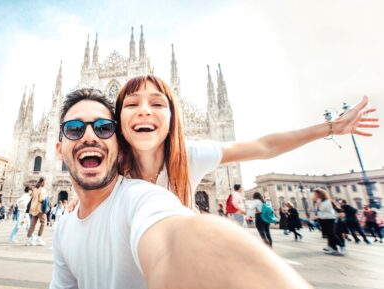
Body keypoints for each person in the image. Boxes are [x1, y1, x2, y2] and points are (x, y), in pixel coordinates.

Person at [48, 88, 321, 289]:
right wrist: (82, 201)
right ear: (58, 148)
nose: (89, 136)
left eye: (103, 127)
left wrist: (328, 128)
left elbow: (175, 239)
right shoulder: (66, 226)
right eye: (74, 129)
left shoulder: (152, 187)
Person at [114, 75, 378, 210]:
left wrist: (330, 127)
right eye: (132, 103)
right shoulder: (106, 167)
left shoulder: (190, 156)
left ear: (174, 117)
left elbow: (265, 147)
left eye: (158, 103)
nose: (145, 110)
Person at [313, 188, 342, 256]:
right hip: (324, 218)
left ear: (320, 194)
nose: (314, 195)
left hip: (329, 219)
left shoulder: (327, 201)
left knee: (331, 233)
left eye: (316, 194)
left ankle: (341, 245)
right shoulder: (321, 201)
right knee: (329, 234)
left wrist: (318, 204)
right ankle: (332, 248)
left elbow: (322, 209)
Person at [26, 177, 48, 246]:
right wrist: (46, 199)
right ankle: (39, 238)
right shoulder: (43, 189)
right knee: (44, 223)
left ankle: (29, 240)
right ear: (43, 182)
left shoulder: (35, 189)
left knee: (32, 224)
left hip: (33, 208)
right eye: (46, 182)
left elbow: (32, 197)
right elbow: (41, 199)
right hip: (40, 209)